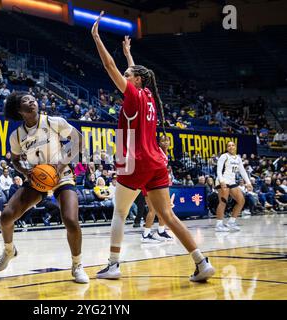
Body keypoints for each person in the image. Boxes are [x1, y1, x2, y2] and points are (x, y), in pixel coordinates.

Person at [92, 14, 214, 282]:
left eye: (128, 76)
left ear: (136, 82)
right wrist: (129, 54)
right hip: (157, 162)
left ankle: (113, 265)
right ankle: (201, 261)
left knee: (120, 212)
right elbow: (135, 73)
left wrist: (97, 38)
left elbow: (109, 66)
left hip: (136, 161)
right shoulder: (147, 95)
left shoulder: (134, 96)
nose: (124, 77)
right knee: (167, 216)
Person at [0, 93, 89, 284]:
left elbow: (78, 140)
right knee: (6, 216)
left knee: (70, 219)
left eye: (32, 98)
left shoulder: (54, 122)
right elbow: (14, 160)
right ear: (19, 111)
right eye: (25, 101)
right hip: (37, 179)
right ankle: (9, 250)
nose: (32, 101)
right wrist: (25, 172)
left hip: (61, 175)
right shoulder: (17, 136)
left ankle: (77, 265)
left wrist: (59, 167)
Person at [214, 141, 252, 232]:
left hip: (232, 181)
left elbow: (242, 171)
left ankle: (231, 222)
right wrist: (222, 181)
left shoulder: (238, 158)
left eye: (232, 145)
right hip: (223, 180)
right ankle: (219, 225)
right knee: (223, 201)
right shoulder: (224, 156)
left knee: (241, 200)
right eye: (229, 146)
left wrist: (248, 182)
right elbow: (218, 170)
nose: (231, 147)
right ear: (227, 148)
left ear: (235, 147)